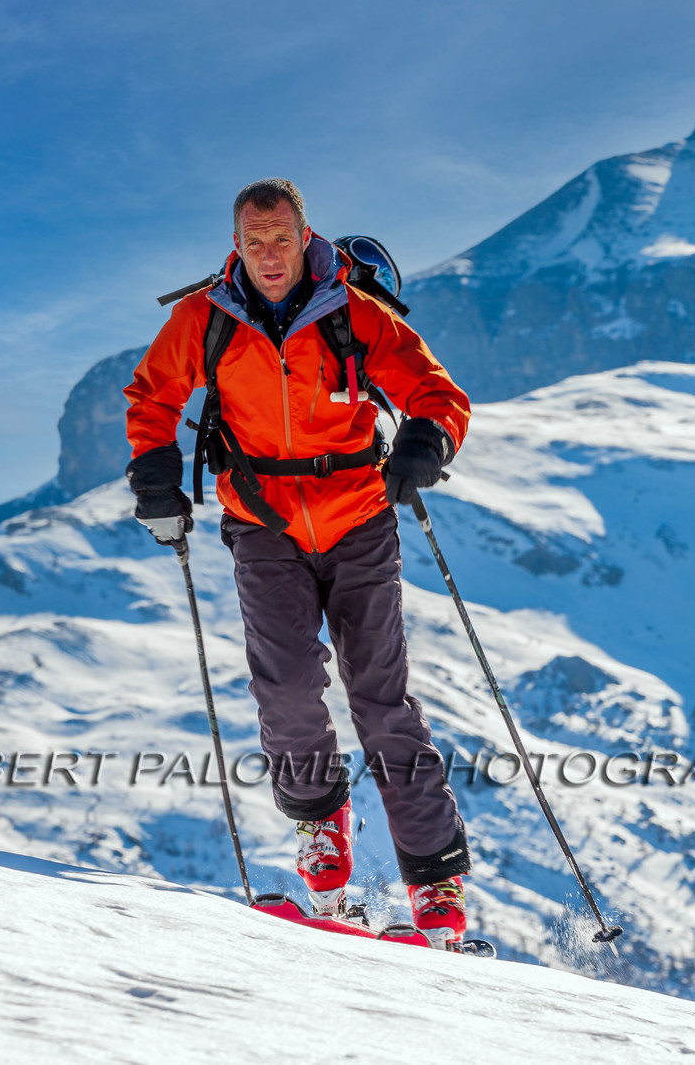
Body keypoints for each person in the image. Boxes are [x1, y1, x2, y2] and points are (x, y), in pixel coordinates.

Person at [122, 178, 472, 948]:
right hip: (261, 523)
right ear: (235, 245)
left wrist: (425, 443)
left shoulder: (356, 312)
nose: (269, 256)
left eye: (281, 239)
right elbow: (151, 398)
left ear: (304, 232)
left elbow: (437, 394)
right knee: (284, 691)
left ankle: (436, 881)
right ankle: (323, 850)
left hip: (357, 518)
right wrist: (154, 473)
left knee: (381, 699)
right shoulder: (205, 318)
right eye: (254, 244)